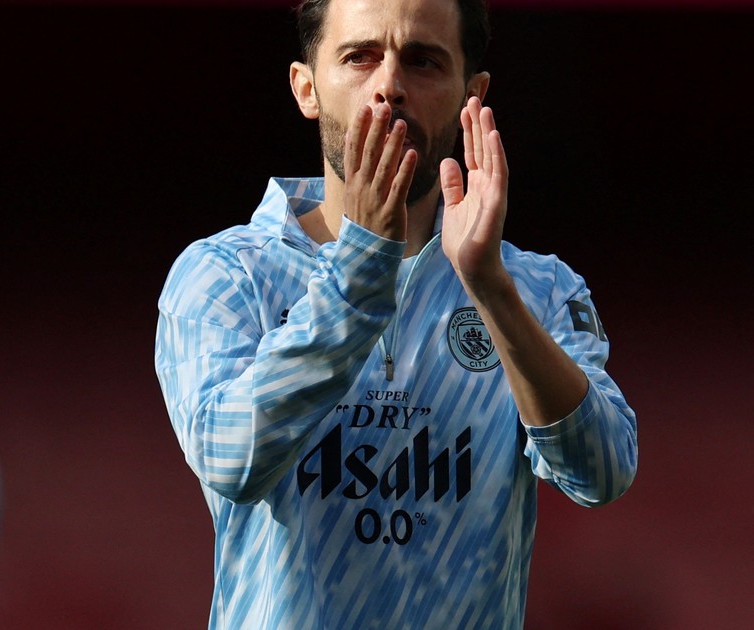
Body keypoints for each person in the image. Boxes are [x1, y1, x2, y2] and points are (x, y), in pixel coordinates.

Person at [154, 0, 637, 627]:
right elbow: (231, 460)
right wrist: (360, 269)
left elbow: (603, 472)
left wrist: (491, 290)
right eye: (360, 57)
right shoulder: (226, 275)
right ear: (306, 88)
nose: (389, 85)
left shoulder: (534, 289)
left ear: (471, 94)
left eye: (422, 60)